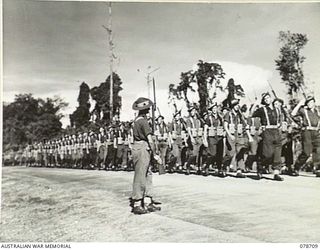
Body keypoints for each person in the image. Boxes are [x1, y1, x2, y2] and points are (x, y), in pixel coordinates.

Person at [130, 97, 162, 215]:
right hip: (142, 147)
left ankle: (148, 201)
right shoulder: (143, 121)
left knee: (147, 174)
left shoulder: (137, 120)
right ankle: (137, 203)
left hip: (140, 147)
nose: (149, 110)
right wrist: (155, 154)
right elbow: (149, 139)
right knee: (140, 175)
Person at [251, 92, 284, 181]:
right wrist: (255, 104)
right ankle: (260, 166)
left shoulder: (277, 109)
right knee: (267, 154)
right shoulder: (262, 109)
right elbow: (252, 114)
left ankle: (276, 173)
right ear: (264, 101)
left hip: (276, 132)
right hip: (267, 132)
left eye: (268, 98)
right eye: (265, 99)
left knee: (277, 153)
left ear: (271, 98)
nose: (267, 100)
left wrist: (280, 126)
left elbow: (281, 119)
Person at [292, 96, 320, 177]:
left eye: (311, 102)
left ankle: (317, 168)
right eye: (308, 102)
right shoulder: (304, 110)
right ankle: (296, 167)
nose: (310, 104)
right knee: (307, 152)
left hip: (316, 132)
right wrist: (299, 104)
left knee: (318, 150)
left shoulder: (317, 111)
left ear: (314, 103)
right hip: (307, 132)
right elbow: (293, 114)